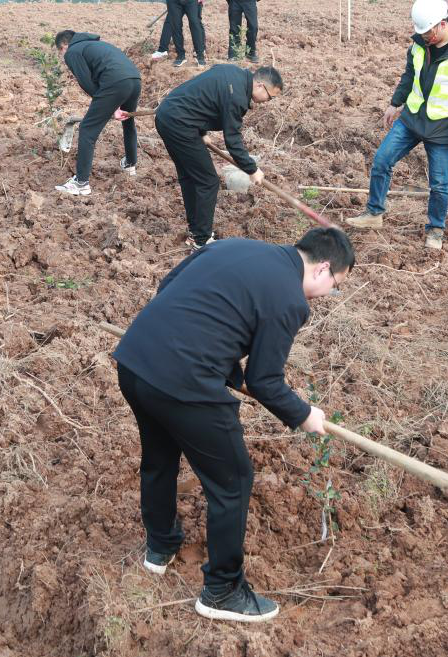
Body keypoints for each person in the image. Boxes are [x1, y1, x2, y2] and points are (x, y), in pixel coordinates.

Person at [113, 227, 354, 623]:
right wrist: (304, 414)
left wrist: (223, 365)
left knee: (159, 457)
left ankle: (160, 545)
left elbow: (169, 287)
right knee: (234, 480)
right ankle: (223, 591)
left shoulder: (232, 247)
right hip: (184, 383)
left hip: (136, 363)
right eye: (335, 285)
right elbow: (265, 381)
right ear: (323, 268)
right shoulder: (290, 299)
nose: (329, 294)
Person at [346, 0, 448, 250]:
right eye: (421, 33)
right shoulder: (420, 44)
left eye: (428, 32)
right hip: (413, 117)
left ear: (442, 24)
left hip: (443, 126)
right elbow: (409, 75)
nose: (424, 37)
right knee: (382, 160)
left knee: (439, 184)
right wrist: (395, 103)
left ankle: (435, 230)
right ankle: (374, 212)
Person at [154, 63, 282, 249]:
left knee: (190, 176)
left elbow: (205, 95)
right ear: (260, 85)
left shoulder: (234, 73)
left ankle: (196, 230)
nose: (268, 101)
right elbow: (233, 140)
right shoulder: (237, 97)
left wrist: (201, 130)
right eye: (270, 97)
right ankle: (201, 240)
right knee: (208, 181)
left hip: (167, 115)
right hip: (180, 125)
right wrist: (252, 169)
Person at [52, 30, 142, 197]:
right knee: (128, 122)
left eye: (61, 51)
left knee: (87, 129)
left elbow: (86, 82)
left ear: (64, 46)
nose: (63, 56)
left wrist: (112, 106)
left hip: (115, 82)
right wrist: (113, 105)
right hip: (134, 79)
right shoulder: (95, 45)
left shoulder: (72, 51)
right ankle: (130, 164)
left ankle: (81, 183)